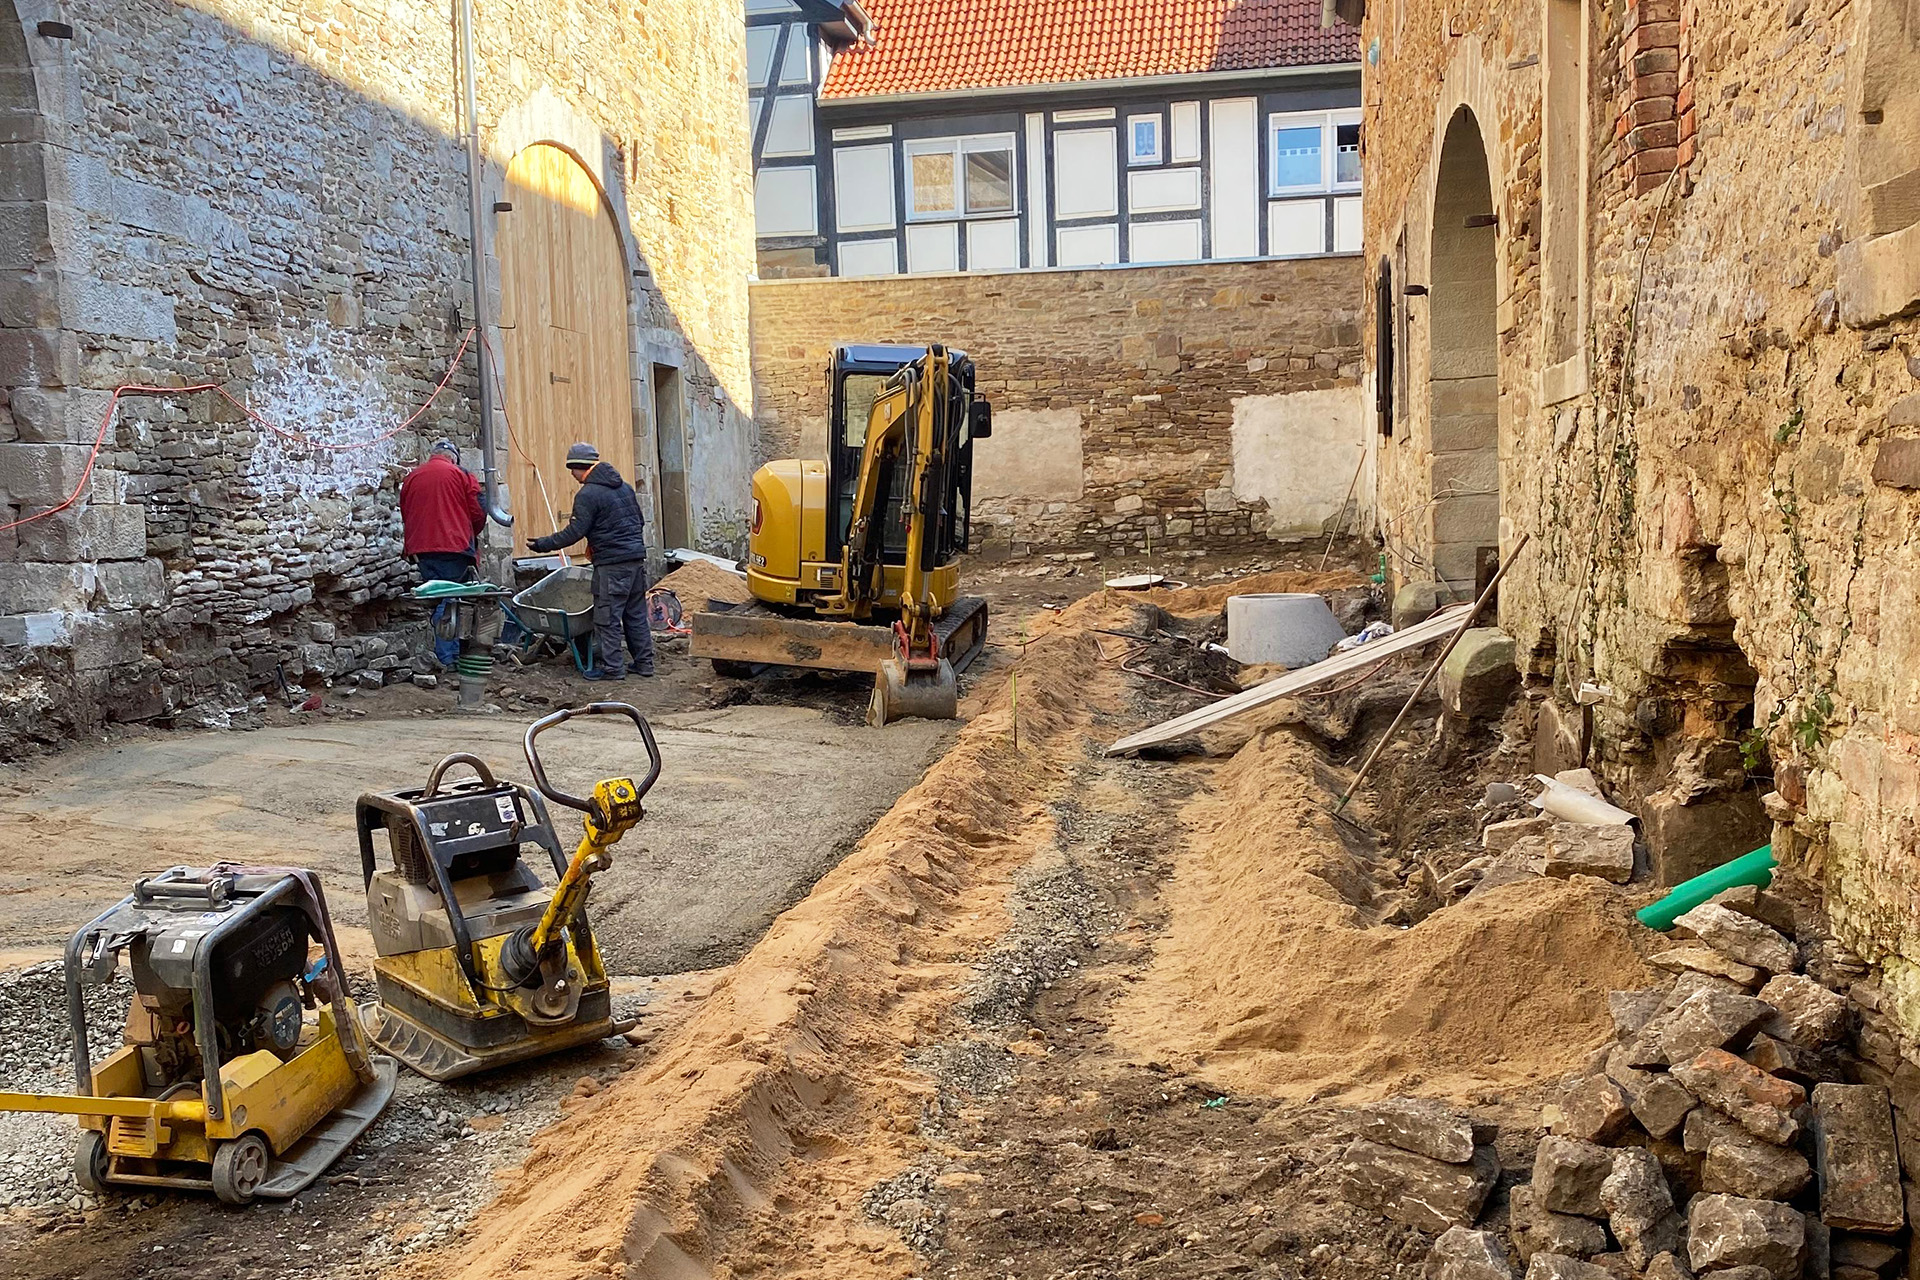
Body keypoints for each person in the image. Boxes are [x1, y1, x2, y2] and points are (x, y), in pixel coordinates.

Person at [528, 442, 654, 680]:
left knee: (607, 618)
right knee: (635, 615)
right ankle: (644, 664)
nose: (572, 475)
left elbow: (575, 532)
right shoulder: (625, 487)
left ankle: (613, 668)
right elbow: (639, 521)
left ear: (579, 466)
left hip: (611, 564)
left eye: (571, 470)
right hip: (636, 559)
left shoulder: (588, 494)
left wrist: (543, 544)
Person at [400, 438, 485, 668]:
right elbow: (478, 512)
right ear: (453, 459)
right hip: (453, 546)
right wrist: (469, 535)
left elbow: (406, 511)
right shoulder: (461, 474)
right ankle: (448, 657)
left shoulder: (412, 477)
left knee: (440, 597)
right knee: (450, 600)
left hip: (422, 550)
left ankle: (449, 654)